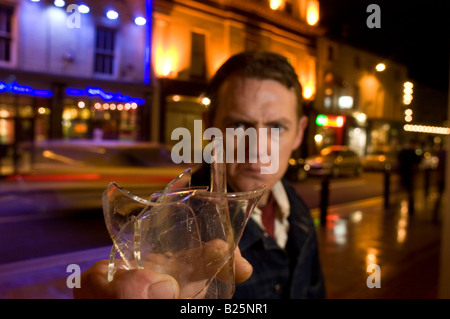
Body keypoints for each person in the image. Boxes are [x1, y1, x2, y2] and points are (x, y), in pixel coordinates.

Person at [74, 51, 325, 299]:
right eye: (238, 126)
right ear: (209, 126)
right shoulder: (174, 225)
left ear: (300, 132)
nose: (258, 148)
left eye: (277, 127)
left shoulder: (295, 207)